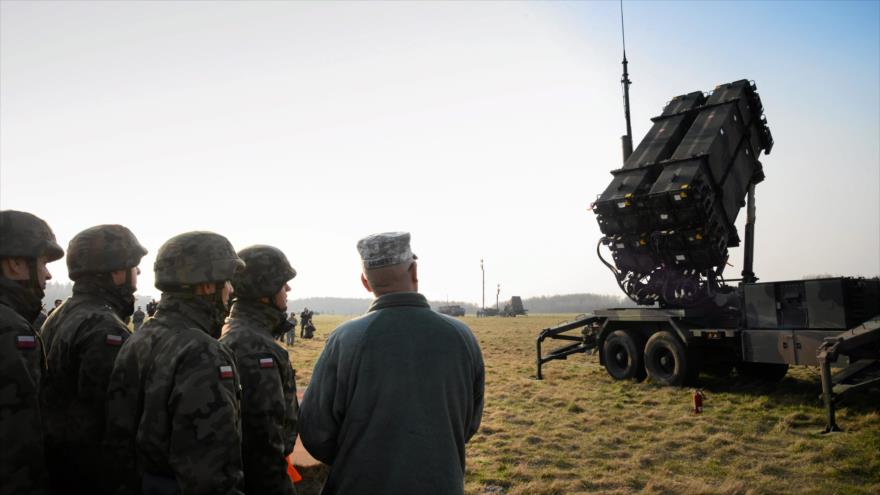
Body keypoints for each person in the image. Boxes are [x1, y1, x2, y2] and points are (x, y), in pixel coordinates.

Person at [299, 232, 485, 494]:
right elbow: (469, 422)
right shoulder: (461, 336)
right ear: (414, 271)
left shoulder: (345, 339)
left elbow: (315, 432)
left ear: (365, 281)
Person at [104, 231, 246, 495]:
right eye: (227, 281)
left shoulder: (139, 339)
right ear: (207, 286)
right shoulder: (203, 353)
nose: (231, 290)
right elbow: (211, 475)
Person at [39, 224, 147, 494]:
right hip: (93, 473)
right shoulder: (104, 327)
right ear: (117, 272)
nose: (138, 274)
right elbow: (113, 419)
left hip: (61, 465)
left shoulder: (64, 313)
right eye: (134, 267)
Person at [220, 245, 299, 495]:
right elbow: (262, 446)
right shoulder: (255, 348)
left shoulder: (236, 331)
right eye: (283, 282)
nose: (288, 289)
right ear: (264, 289)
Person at [0, 210, 64, 495]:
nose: (48, 273)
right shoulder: (11, 329)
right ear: (14, 264)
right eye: (42, 262)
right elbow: (18, 445)